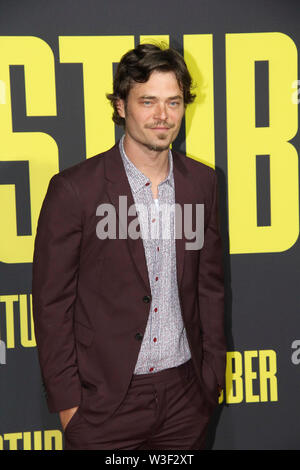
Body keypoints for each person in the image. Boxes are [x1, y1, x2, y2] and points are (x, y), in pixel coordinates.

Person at [32, 43, 226, 450]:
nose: (162, 116)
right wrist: (70, 407)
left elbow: (209, 289)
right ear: (121, 106)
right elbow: (52, 305)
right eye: (148, 101)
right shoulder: (74, 191)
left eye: (173, 102)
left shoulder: (202, 184)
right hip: (105, 404)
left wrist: (210, 380)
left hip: (186, 399)